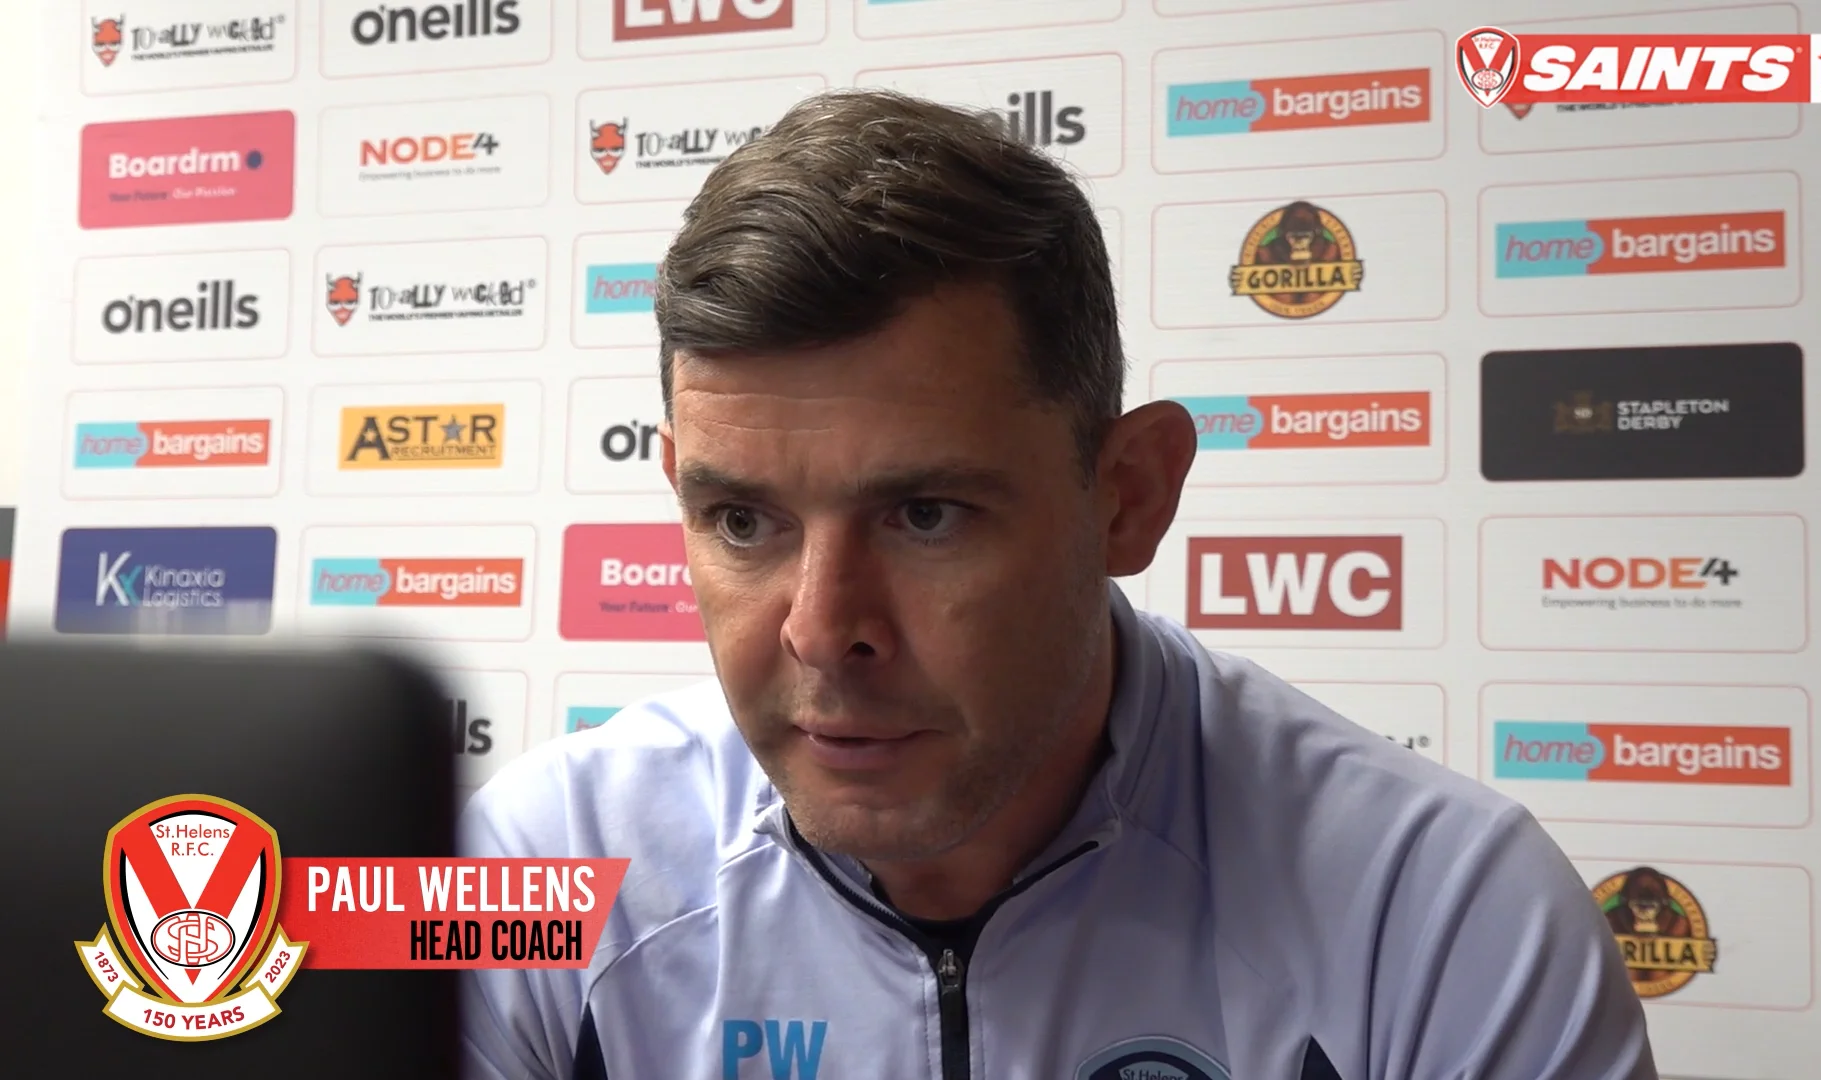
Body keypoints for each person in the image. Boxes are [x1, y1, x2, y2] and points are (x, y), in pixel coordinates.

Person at [460, 88, 1658, 1080]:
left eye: (925, 515)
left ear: (1127, 495)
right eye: (741, 520)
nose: (823, 632)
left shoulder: (1449, 907)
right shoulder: (521, 859)